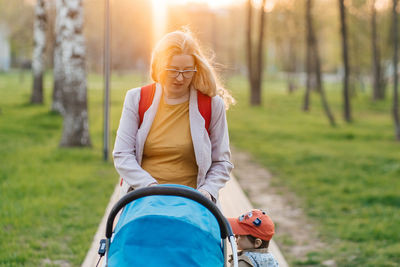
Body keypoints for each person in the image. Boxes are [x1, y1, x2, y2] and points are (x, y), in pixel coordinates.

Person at [112, 29, 235, 202]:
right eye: (173, 70)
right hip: (144, 198)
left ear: (196, 69)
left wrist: (207, 192)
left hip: (193, 202)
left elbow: (222, 162)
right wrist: (150, 188)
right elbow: (122, 155)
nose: (180, 78)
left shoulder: (212, 105)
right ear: (159, 66)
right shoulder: (137, 98)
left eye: (187, 71)